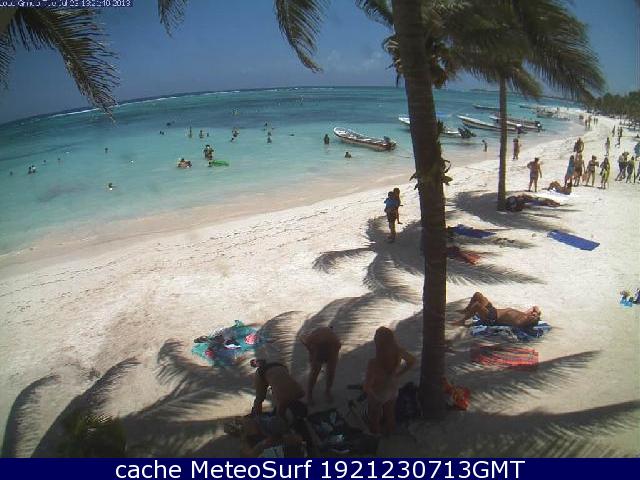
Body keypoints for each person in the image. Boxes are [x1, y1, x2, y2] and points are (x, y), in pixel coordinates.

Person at [363, 327, 416, 435]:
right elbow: (412, 361)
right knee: (390, 413)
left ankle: (376, 436)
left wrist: (374, 398)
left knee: (374, 420)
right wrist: (399, 374)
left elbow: (367, 387)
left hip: (377, 394)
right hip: (392, 389)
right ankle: (390, 432)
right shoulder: (399, 351)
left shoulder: (373, 363)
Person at [453, 292, 542, 329]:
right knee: (478, 295)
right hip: (493, 310)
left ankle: (462, 321)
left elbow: (517, 326)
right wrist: (537, 312)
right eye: (533, 314)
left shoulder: (521, 322)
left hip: (491, 317)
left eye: (533, 316)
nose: (532, 314)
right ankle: (466, 310)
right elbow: (535, 307)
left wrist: (534, 319)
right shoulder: (525, 314)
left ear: (531, 321)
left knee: (477, 305)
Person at [300, 327, 341, 404]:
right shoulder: (311, 341)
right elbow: (302, 337)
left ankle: (327, 391)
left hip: (331, 344)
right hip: (315, 340)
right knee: (315, 372)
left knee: (331, 372)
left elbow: (332, 369)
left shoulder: (336, 345)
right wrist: (312, 356)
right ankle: (309, 394)